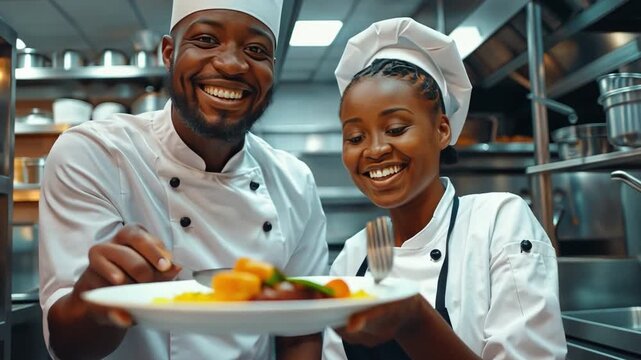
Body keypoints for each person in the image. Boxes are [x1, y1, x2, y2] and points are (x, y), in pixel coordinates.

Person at [39, 1, 328, 359]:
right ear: (169, 53)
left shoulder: (295, 181)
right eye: (207, 39)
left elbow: (301, 328)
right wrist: (100, 297)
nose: (232, 64)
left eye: (256, 50)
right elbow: (70, 346)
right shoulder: (95, 153)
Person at [322, 17, 567, 359]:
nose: (375, 150)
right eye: (356, 137)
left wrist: (414, 321)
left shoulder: (497, 223)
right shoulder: (353, 256)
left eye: (395, 128)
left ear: (441, 131)